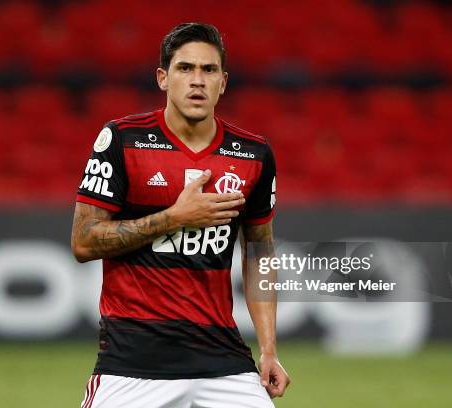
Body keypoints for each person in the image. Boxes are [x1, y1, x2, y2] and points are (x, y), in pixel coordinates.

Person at [71, 22, 289, 408]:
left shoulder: (252, 154)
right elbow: (84, 241)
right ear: (162, 78)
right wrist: (175, 217)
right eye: (184, 68)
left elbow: (259, 251)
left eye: (208, 71)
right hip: (132, 364)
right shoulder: (124, 140)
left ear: (223, 82)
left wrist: (269, 348)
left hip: (223, 361)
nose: (197, 81)